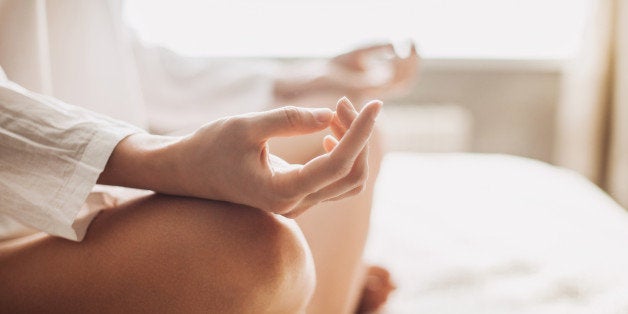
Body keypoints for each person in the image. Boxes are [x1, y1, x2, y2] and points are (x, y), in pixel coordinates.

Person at [0, 1, 418, 312]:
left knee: (339, 133)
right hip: (11, 229)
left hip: (91, 189)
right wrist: (166, 160)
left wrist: (298, 79)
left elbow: (115, 57)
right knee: (258, 252)